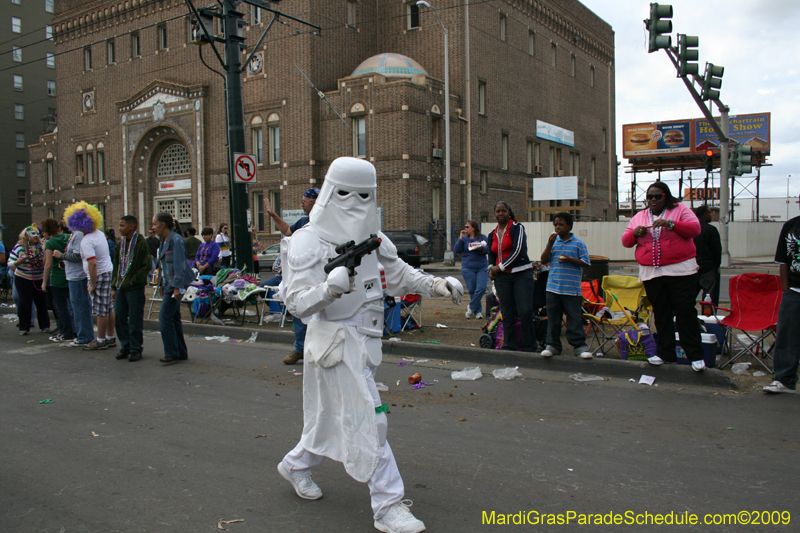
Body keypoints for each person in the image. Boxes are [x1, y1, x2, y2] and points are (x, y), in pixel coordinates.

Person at [277, 157, 462, 533]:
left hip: (367, 341)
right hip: (334, 342)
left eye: (365, 195)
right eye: (347, 193)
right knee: (370, 419)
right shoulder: (307, 240)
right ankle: (388, 505)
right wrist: (328, 288)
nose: (355, 203)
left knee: (332, 416)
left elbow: (400, 274)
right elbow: (295, 303)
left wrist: (435, 285)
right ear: (331, 192)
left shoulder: (373, 236)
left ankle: (296, 464)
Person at [622, 182, 705, 371]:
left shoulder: (680, 209)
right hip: (652, 273)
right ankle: (665, 353)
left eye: (657, 196)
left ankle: (695, 355)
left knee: (685, 312)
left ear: (666, 196)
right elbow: (626, 241)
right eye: (649, 197)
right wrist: (635, 233)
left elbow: (695, 229)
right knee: (661, 314)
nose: (652, 200)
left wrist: (671, 224)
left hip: (681, 271)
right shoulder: (640, 216)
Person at [263, 187, 320, 365]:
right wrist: (273, 215)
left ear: (315, 203)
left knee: (320, 314)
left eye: (304, 201)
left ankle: (317, 350)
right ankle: (299, 349)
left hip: (319, 275)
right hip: (302, 275)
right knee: (298, 309)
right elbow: (287, 231)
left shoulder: (326, 223)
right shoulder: (304, 222)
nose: (301, 204)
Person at [64, 202, 116, 351]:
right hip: (107, 271)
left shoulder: (87, 240)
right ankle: (109, 337)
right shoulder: (98, 234)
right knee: (108, 307)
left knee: (101, 309)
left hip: (98, 274)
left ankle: (100, 340)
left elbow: (92, 264)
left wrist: (92, 283)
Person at [540, 212, 592, 359]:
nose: (557, 227)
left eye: (561, 224)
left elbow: (586, 263)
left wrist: (570, 259)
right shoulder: (553, 243)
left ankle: (579, 346)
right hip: (553, 288)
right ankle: (553, 345)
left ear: (569, 226)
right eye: (555, 224)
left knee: (574, 319)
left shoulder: (578, 244)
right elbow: (544, 260)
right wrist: (550, 243)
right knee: (553, 318)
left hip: (571, 289)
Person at [487, 201, 536, 352]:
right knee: (506, 312)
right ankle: (509, 345)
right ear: (494, 214)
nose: (500, 214)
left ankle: (529, 346)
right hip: (502, 278)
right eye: (498, 211)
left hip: (521, 274)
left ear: (509, 212)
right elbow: (491, 254)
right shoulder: (492, 234)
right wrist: (491, 269)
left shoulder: (517, 228)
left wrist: (499, 267)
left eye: (503, 211)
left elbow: (518, 251)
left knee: (525, 311)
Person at [763, 204, 800, 394]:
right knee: (788, 337)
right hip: (794, 290)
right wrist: (786, 289)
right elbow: (783, 261)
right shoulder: (791, 226)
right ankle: (784, 380)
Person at [153, 211, 194, 364]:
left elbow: (178, 264)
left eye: (154, 224)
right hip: (169, 283)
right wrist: (161, 284)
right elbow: (163, 266)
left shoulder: (176, 240)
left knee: (164, 316)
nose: (153, 228)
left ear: (163, 225)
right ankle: (180, 352)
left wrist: (176, 288)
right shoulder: (164, 240)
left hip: (176, 284)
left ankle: (171, 352)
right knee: (174, 317)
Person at [112, 215, 152, 363]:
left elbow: (146, 265)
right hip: (120, 286)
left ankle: (136, 349)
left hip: (134, 287)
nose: (119, 228)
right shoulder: (120, 244)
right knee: (119, 318)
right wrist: (114, 286)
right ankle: (125, 345)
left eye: (122, 225)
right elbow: (116, 265)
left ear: (131, 227)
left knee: (134, 320)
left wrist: (133, 280)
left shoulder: (141, 243)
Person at [54, 218, 94, 347]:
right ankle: (82, 334)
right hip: (72, 276)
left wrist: (61, 256)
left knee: (80, 306)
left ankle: (84, 336)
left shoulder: (78, 234)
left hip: (78, 277)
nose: (64, 222)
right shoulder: (73, 234)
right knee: (77, 306)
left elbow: (78, 256)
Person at [8, 226, 51, 335]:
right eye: (33, 234)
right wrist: (18, 262)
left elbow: (47, 261)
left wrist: (44, 251)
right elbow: (10, 263)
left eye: (37, 233)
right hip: (23, 278)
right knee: (25, 302)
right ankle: (24, 327)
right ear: (26, 236)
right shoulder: (19, 247)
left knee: (42, 302)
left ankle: (45, 326)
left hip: (39, 277)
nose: (36, 236)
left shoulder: (41, 247)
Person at [41, 218, 75, 342]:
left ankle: (66, 331)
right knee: (72, 304)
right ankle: (75, 329)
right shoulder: (68, 237)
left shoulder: (50, 243)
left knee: (60, 306)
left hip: (57, 277)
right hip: (70, 274)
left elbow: (47, 263)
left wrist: (44, 282)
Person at [454, 219, 489, 319]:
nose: (465, 229)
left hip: (482, 266)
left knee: (481, 288)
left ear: (473, 228)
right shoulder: (464, 239)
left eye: (467, 227)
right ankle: (478, 312)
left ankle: (471, 307)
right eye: (465, 227)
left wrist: (481, 248)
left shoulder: (482, 237)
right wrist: (460, 238)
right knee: (472, 290)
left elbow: (489, 249)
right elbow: (457, 250)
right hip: (468, 267)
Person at [693, 205, 722, 306]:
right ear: (704, 215)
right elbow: (717, 250)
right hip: (708, 268)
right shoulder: (711, 230)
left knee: (688, 297)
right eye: (710, 213)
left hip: (692, 268)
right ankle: (708, 317)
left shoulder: (691, 229)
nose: (711, 216)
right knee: (709, 298)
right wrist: (716, 266)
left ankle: (685, 318)